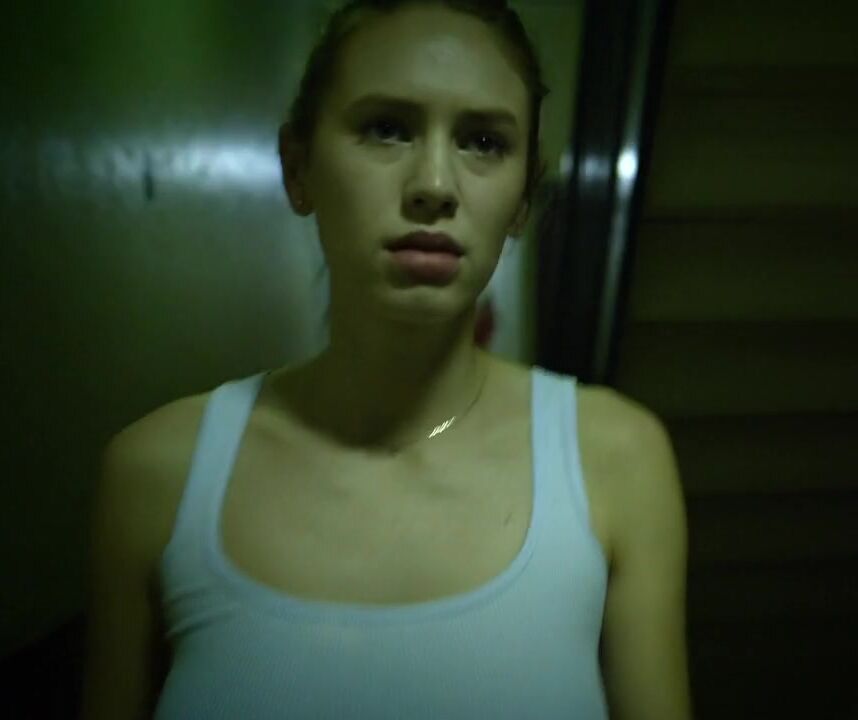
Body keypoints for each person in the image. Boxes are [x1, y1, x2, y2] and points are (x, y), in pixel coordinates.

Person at [80, 1, 693, 718]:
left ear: (524, 199)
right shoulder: (158, 476)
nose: (434, 185)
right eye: (387, 129)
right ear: (298, 167)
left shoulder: (615, 459)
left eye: (484, 142)